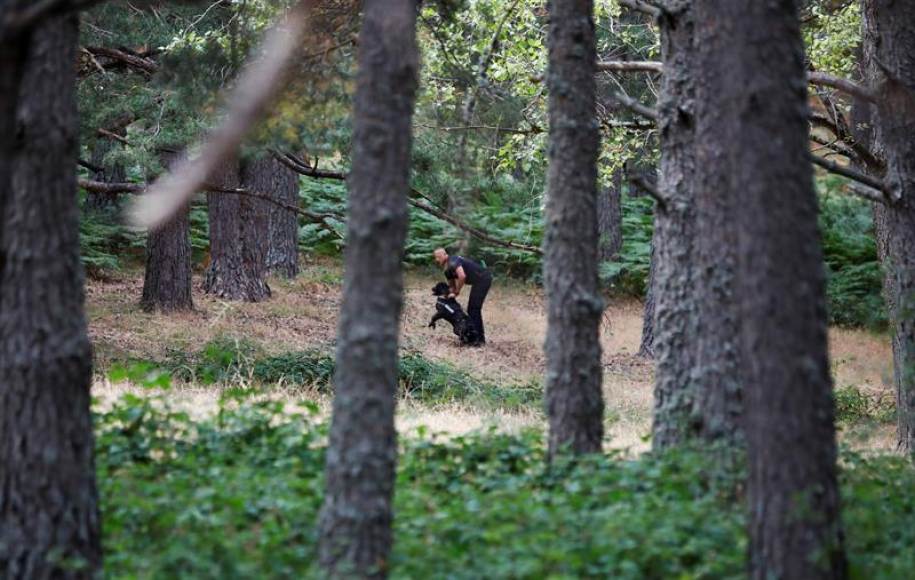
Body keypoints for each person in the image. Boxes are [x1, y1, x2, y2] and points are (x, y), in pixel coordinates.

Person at [433, 248, 492, 346]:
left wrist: (457, 291)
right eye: (436, 258)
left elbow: (462, 276)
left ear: (444, 255)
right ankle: (473, 337)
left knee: (474, 309)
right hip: (477, 281)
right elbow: (452, 287)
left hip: (483, 278)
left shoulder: (453, 261)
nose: (437, 260)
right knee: (472, 309)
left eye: (438, 257)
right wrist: (447, 295)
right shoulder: (447, 271)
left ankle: (479, 340)